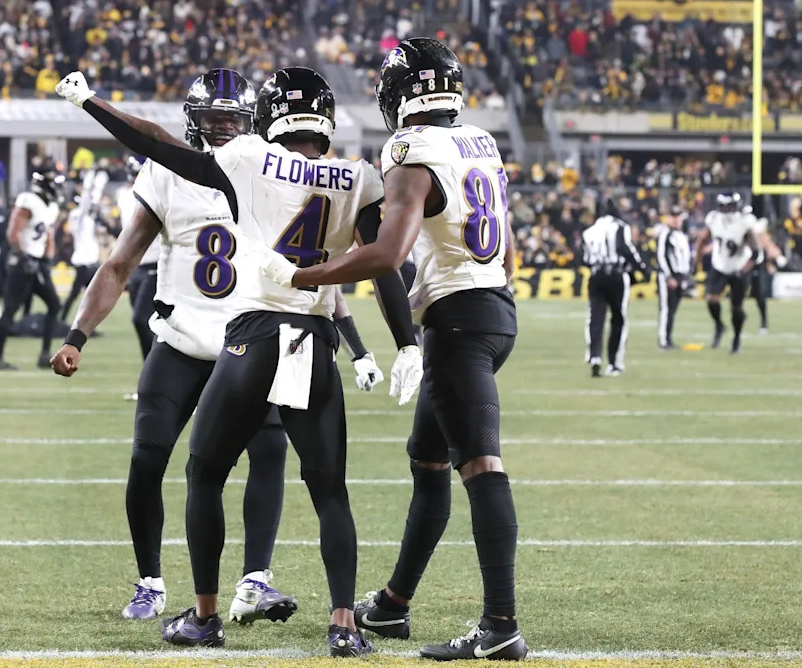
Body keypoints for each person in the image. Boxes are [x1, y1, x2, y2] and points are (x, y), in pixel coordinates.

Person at [55, 66, 420, 657]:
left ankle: (204, 616)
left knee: (204, 471)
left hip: (255, 332)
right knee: (330, 489)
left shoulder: (249, 158)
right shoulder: (361, 176)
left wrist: (94, 103)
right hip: (313, 338)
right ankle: (344, 626)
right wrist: (407, 342)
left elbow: (158, 143)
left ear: (267, 117)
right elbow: (384, 265)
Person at [258, 38, 529, 661]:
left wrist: (303, 275)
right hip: (492, 307)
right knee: (427, 460)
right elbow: (508, 249)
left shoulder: (411, 149)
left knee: (480, 465)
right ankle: (392, 605)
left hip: (458, 322)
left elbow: (387, 254)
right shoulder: (480, 140)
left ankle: (501, 624)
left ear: (399, 94)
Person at [0, 172, 64, 370]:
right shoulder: (28, 201)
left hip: (37, 263)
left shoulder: (51, 207)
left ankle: (45, 355)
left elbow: (48, 235)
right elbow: (13, 233)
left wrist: (47, 259)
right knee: (11, 309)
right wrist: (22, 256)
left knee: (54, 305)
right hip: (21, 263)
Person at [582, 198, 646, 376]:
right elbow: (624, 248)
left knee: (595, 317)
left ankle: (595, 356)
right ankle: (614, 363)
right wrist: (642, 268)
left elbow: (585, 259)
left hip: (596, 276)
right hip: (616, 276)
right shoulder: (620, 226)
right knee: (618, 319)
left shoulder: (589, 231)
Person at [695, 192, 761, 354]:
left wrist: (743, 270)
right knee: (711, 299)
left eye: (728, 206)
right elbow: (702, 240)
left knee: (736, 308)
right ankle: (719, 325)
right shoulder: (714, 219)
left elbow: (756, 252)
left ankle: (736, 339)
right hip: (720, 266)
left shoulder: (744, 222)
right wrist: (696, 261)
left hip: (739, 267)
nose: (725, 210)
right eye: (723, 206)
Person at [116, 157, 161, 366]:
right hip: (137, 267)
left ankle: (155, 370)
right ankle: (149, 371)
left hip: (157, 265)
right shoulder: (124, 196)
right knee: (144, 322)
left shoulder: (160, 192)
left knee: (142, 319)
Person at [60, 172, 108, 322]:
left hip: (91, 261)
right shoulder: (76, 215)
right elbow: (86, 203)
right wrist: (88, 185)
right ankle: (61, 319)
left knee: (94, 296)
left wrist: (98, 187)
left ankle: (87, 324)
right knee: (75, 294)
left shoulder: (87, 217)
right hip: (82, 261)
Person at [743, 205, 787, 334]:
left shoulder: (757, 230)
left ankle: (763, 320)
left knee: (760, 295)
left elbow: (766, 243)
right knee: (738, 295)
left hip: (755, 264)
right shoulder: (738, 226)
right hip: (741, 264)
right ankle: (740, 319)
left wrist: (776, 256)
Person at [655, 205, 691, 350]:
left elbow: (685, 258)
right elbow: (661, 256)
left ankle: (668, 338)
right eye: (674, 217)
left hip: (680, 275)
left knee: (673, 309)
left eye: (678, 217)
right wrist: (668, 276)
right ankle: (663, 339)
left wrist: (685, 276)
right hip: (669, 275)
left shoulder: (681, 235)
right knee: (666, 308)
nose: (676, 220)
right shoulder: (666, 233)